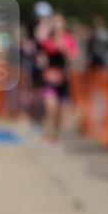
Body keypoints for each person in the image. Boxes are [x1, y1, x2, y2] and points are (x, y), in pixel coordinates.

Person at [35, 13, 78, 146]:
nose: (58, 27)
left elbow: (74, 56)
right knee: (50, 107)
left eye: (60, 24)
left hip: (63, 81)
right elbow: (39, 41)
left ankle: (56, 137)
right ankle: (47, 135)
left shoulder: (68, 39)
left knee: (60, 112)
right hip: (49, 79)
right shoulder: (48, 40)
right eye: (55, 24)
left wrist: (64, 48)